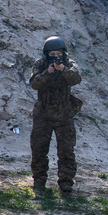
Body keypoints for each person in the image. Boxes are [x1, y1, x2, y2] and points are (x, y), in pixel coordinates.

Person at [28, 36, 82, 195]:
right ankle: (39, 179)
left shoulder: (69, 63)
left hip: (64, 114)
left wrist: (62, 70)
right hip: (43, 114)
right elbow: (34, 83)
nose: (56, 56)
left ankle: (66, 181)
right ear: (47, 54)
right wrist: (48, 72)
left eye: (58, 53)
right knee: (38, 150)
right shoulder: (40, 64)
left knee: (66, 151)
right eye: (52, 53)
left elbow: (76, 78)